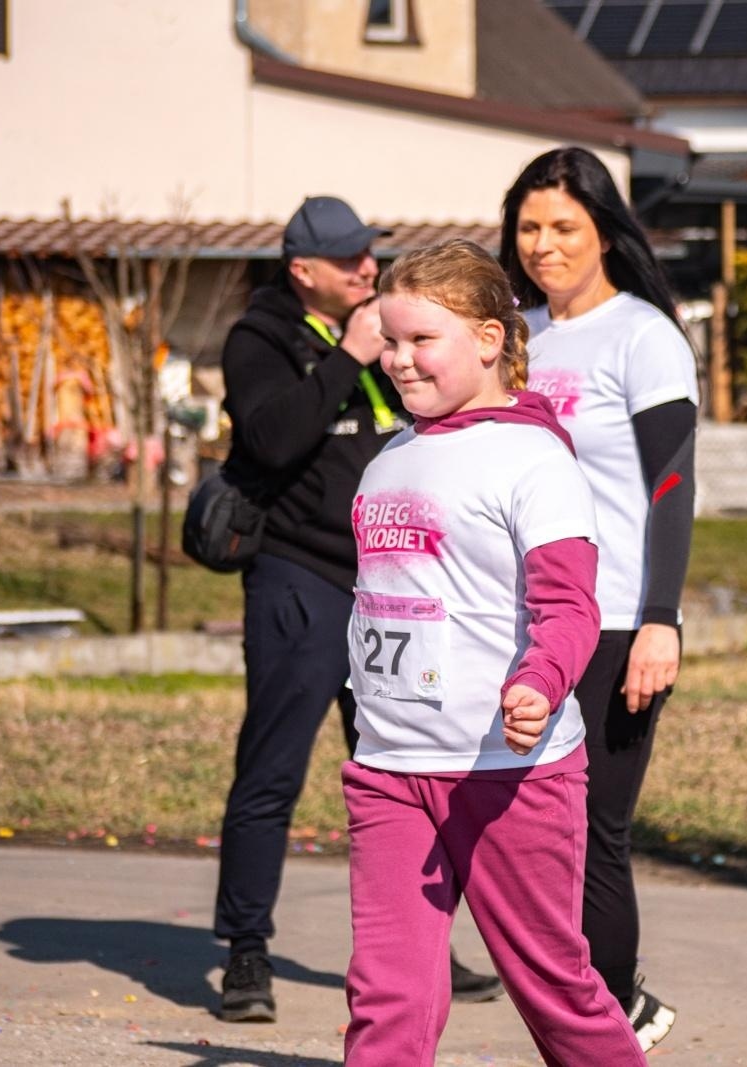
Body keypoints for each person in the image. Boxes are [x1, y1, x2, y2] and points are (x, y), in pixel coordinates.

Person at [341, 238, 646, 1066]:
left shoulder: (534, 459)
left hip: (510, 772)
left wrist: (540, 683)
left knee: (553, 985)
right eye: (389, 340)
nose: (398, 361)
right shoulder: (391, 456)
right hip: (391, 767)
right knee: (386, 990)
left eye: (420, 341)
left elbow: (569, 605)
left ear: (486, 339)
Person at [214, 197, 500, 1023]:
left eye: (369, 254)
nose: (366, 269)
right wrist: (347, 357)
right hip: (298, 580)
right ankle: (246, 952)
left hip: (389, 588)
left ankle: (421, 943)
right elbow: (270, 439)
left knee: (405, 773)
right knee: (272, 770)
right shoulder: (259, 339)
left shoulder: (391, 339)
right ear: (303, 272)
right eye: (348, 262)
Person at [499, 145, 699, 1052]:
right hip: (530, 621)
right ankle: (611, 1010)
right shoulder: (518, 336)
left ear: (605, 231)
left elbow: (671, 484)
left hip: (618, 619)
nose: (542, 245)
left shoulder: (642, 335)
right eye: (529, 227)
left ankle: (606, 1027)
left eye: (563, 227)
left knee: (594, 835)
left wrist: (663, 617)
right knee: (535, 836)